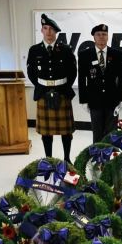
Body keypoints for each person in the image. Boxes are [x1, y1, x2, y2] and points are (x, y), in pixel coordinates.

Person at [26, 14, 77, 163]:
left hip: (62, 91)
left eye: (51, 29)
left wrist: (62, 87)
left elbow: (73, 72)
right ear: (42, 30)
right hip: (43, 92)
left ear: (56, 32)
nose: (48, 32)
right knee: (46, 133)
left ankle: (67, 159)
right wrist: (43, 85)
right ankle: (48, 159)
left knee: (66, 132)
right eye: (45, 28)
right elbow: (31, 73)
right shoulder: (34, 50)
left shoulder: (66, 49)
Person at [78, 24, 122, 143]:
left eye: (104, 34)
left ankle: (111, 158)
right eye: (98, 35)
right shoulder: (85, 55)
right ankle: (97, 158)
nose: (101, 37)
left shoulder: (117, 55)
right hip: (94, 101)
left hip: (112, 101)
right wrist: (83, 100)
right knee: (97, 133)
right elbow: (81, 79)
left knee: (112, 134)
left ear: (108, 37)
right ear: (94, 37)